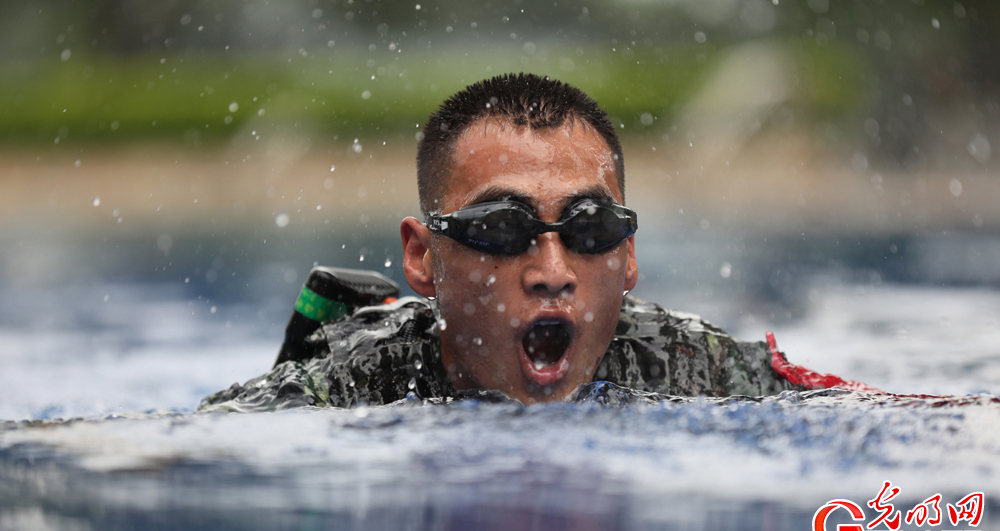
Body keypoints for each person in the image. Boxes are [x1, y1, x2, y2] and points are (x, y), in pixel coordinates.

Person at [200, 73, 874, 412]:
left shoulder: (685, 362)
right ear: (422, 257)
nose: (554, 271)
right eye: (499, 230)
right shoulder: (362, 380)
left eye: (589, 231)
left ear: (630, 255)